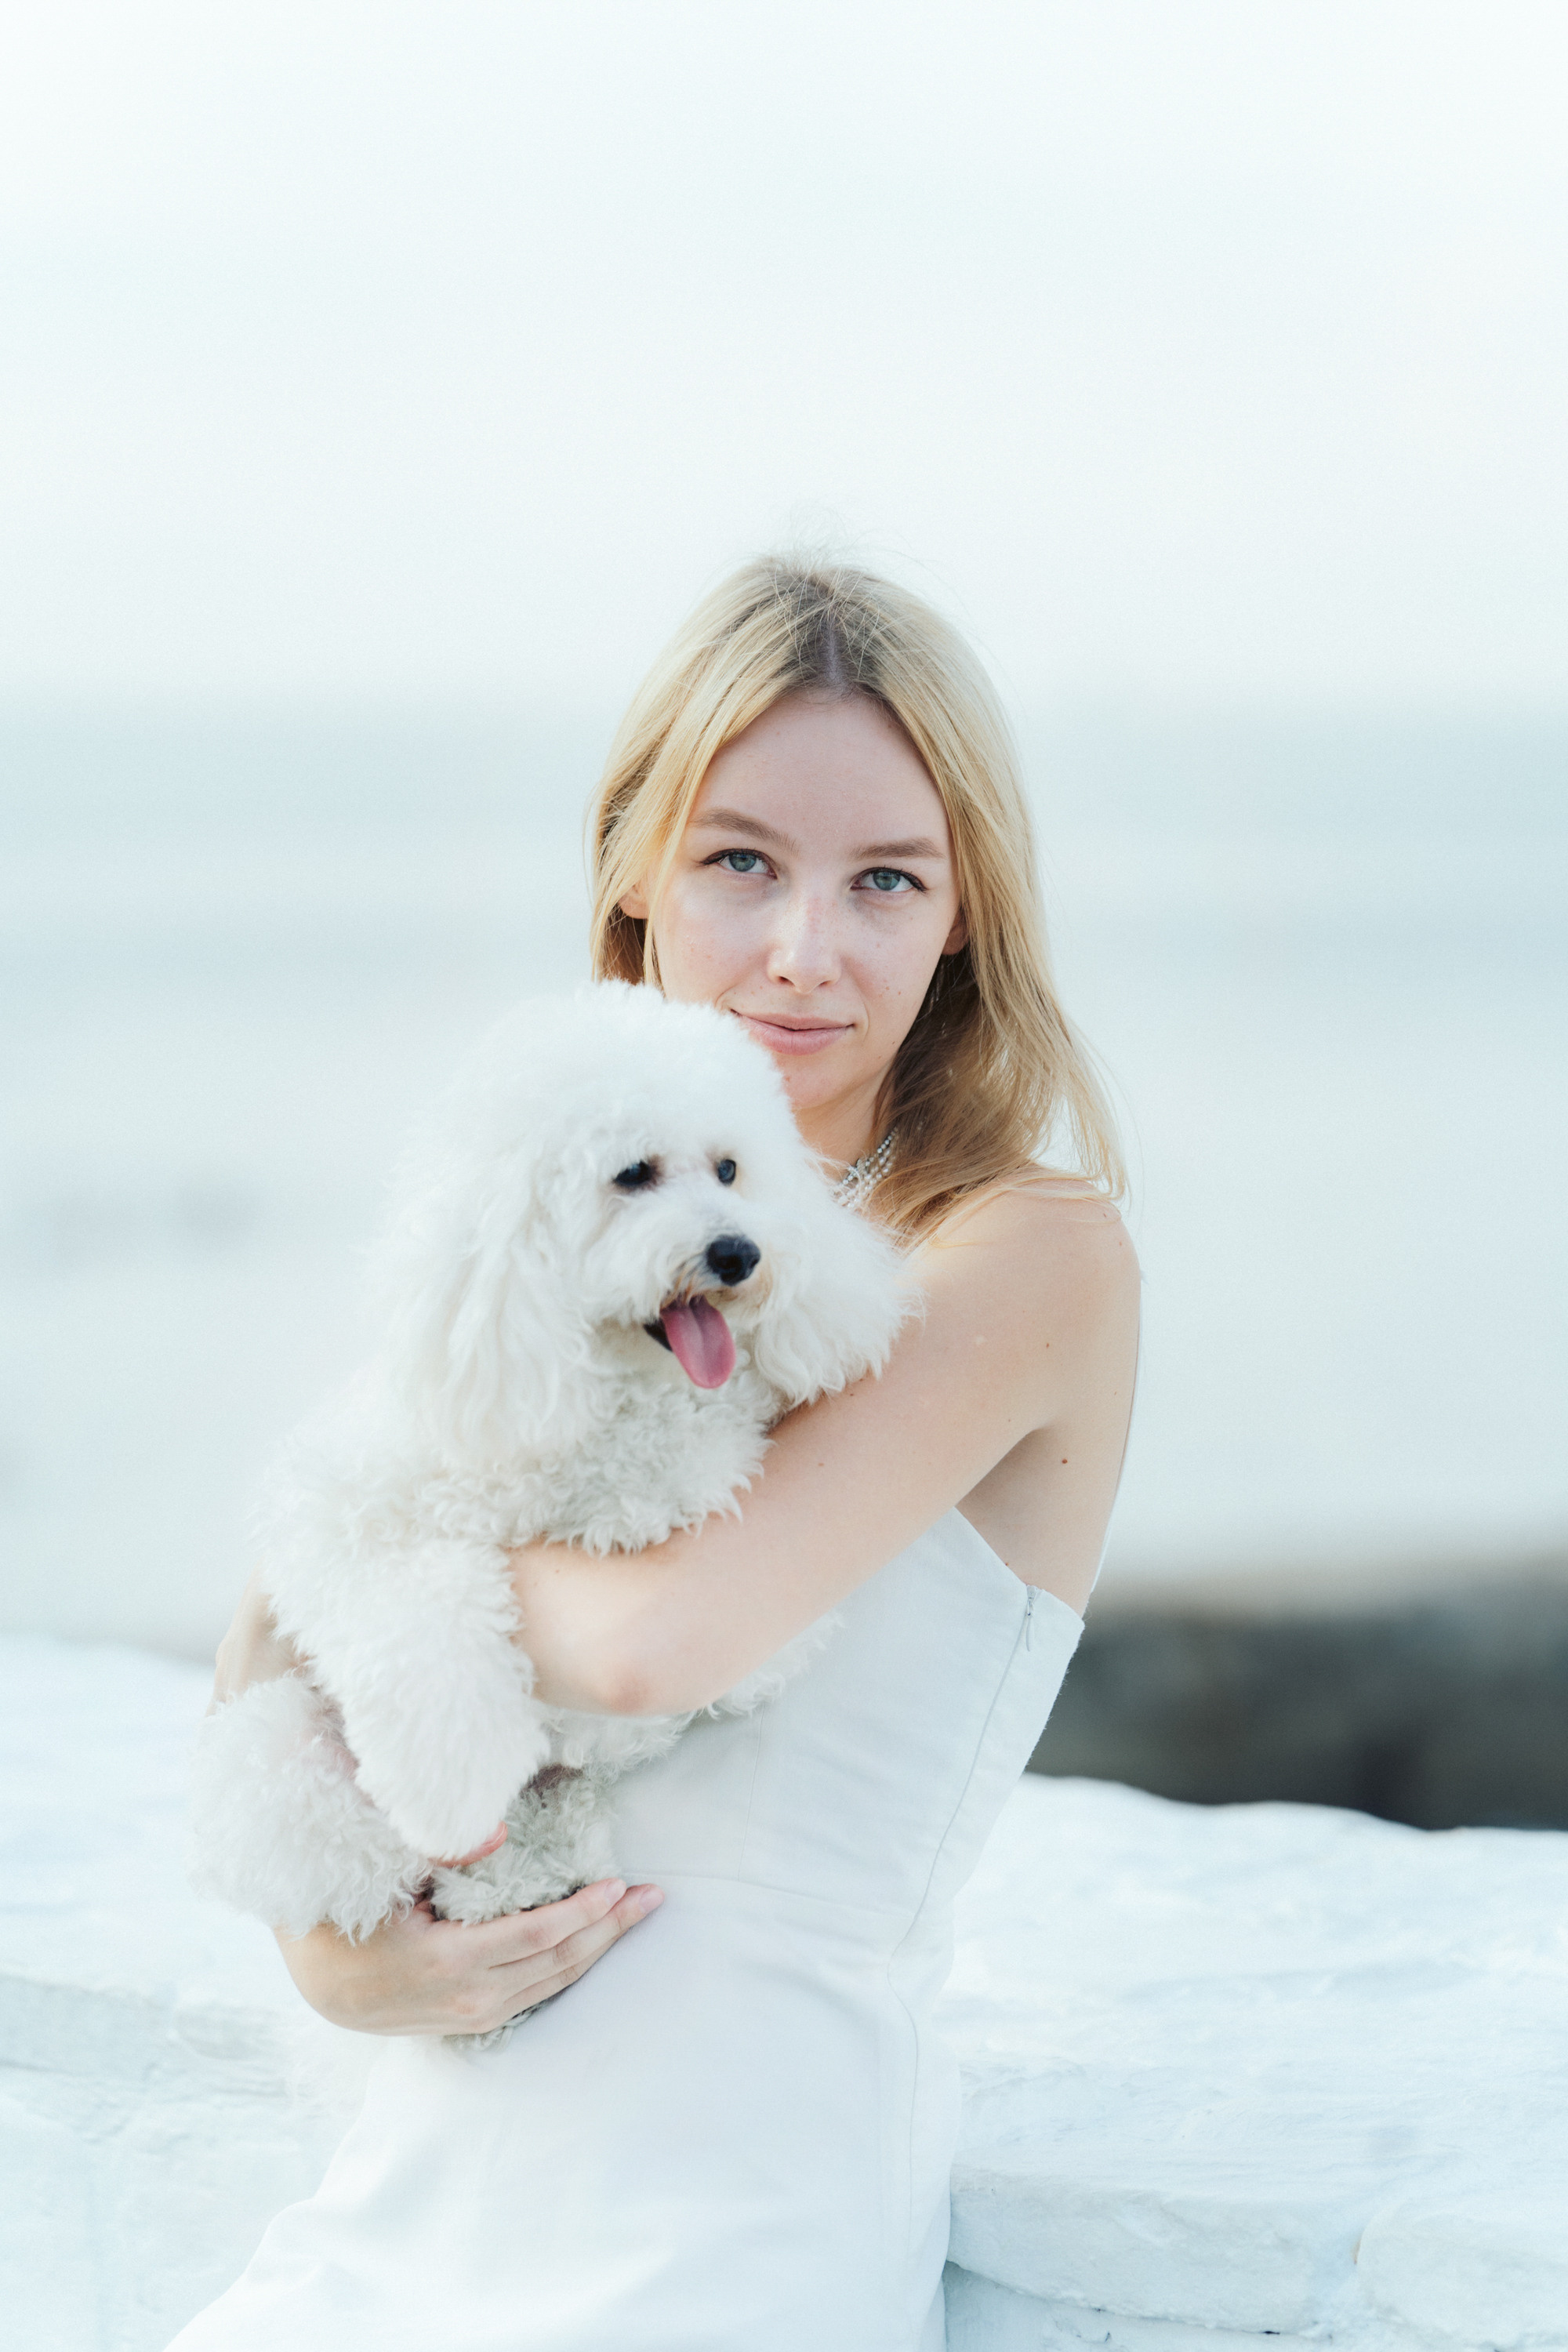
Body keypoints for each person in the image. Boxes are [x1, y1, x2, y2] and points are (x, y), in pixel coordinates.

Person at [172, 558, 1139, 2350]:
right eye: (741, 861)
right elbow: (263, 1649)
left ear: (963, 920)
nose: (802, 950)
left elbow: (647, 1640)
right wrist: (335, 1960)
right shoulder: (550, 1236)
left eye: (886, 882)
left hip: (725, 2216)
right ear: (637, 876)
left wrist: (390, 1566)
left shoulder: (1021, 1254)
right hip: (413, 2186)